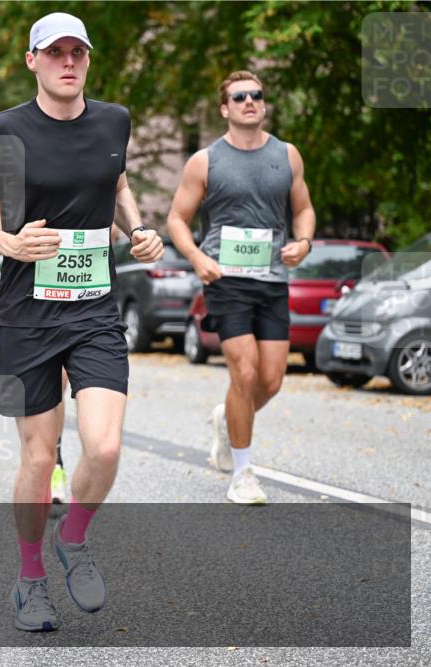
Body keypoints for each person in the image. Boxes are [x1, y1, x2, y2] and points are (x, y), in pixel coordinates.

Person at [0, 12, 164, 632]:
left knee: (103, 445)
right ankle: (30, 578)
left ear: (88, 60)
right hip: (26, 316)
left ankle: (72, 538)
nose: (67, 61)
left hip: (96, 309)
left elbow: (118, 183)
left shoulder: (114, 120)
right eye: (54, 53)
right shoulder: (5, 131)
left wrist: (139, 229)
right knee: (39, 459)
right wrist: (7, 243)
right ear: (33, 61)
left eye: (77, 52)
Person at [166, 70, 315, 505]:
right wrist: (197, 258)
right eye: (239, 96)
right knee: (244, 372)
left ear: (264, 105)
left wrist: (303, 243)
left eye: (256, 95)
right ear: (224, 109)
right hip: (225, 279)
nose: (249, 101)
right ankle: (243, 474)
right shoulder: (205, 161)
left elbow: (303, 209)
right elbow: (177, 218)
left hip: (272, 280)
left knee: (269, 381)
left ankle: (227, 418)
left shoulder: (287, 156)